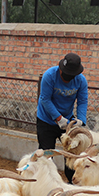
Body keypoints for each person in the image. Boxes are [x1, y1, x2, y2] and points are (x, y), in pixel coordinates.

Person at [36, 52, 88, 183]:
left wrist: (80, 120)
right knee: (47, 154)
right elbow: (45, 99)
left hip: (68, 121)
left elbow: (82, 101)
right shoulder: (49, 76)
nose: (67, 78)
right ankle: (46, 183)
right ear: (61, 69)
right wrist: (58, 118)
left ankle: (72, 183)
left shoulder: (81, 81)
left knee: (72, 153)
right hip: (46, 120)